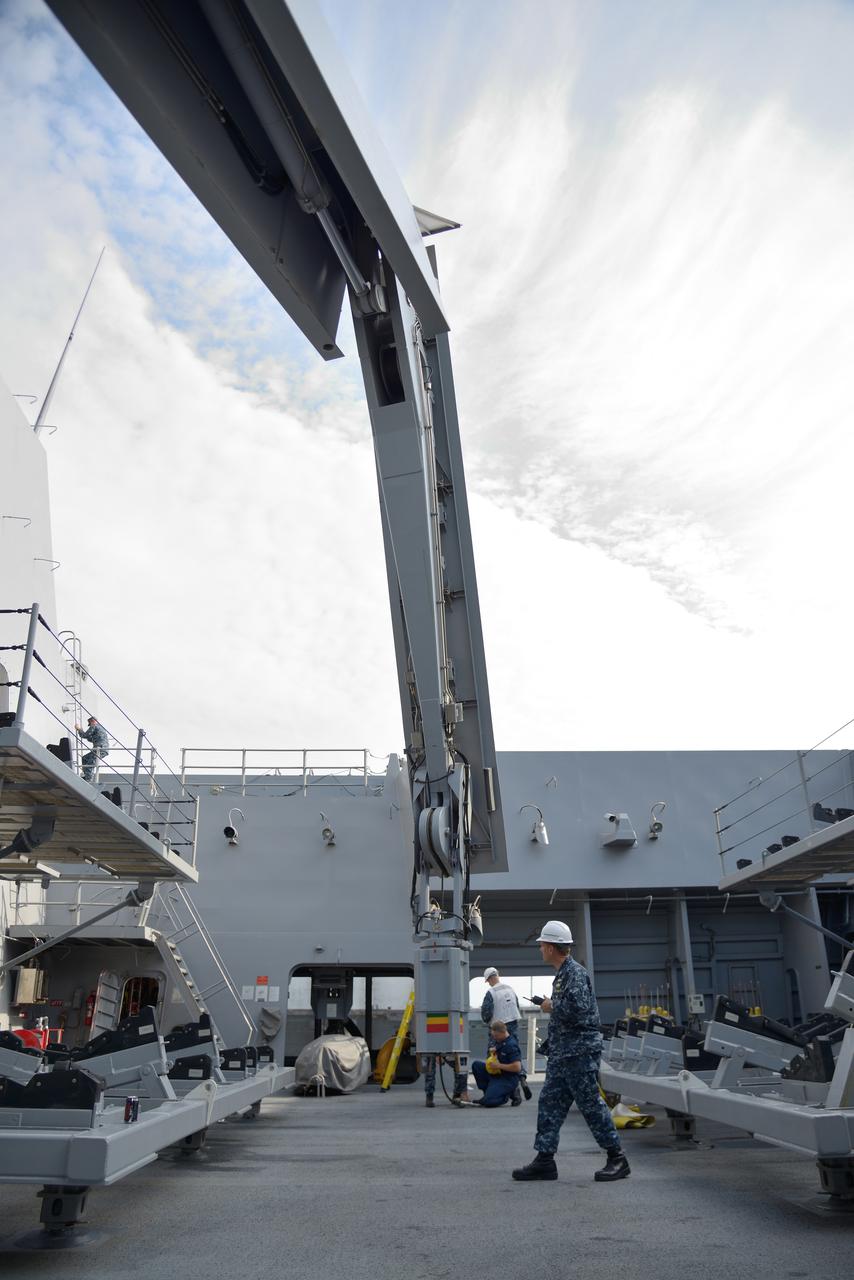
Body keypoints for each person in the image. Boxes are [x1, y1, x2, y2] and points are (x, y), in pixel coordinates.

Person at [512, 920, 630, 1183]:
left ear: (553, 947)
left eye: (543, 943)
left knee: (590, 1105)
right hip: (563, 1054)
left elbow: (579, 1010)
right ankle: (544, 1161)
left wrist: (550, 1006)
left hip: (578, 1054)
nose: (540, 947)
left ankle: (618, 1158)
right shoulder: (563, 974)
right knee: (549, 1103)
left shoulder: (574, 973)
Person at [471, 1020, 525, 1107]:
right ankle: (488, 1093)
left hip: (507, 1078)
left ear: (502, 1032)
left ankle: (508, 1094)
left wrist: (498, 1065)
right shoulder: (500, 1041)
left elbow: (517, 1067)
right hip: (497, 1073)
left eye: (496, 1036)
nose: (495, 1038)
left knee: (488, 1102)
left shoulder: (511, 1045)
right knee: (476, 1065)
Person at [481, 966, 522, 1038]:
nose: (489, 983)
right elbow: (517, 1006)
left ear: (489, 979)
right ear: (497, 975)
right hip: (513, 1024)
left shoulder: (491, 992)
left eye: (487, 981)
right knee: (512, 1046)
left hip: (498, 1028)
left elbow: (486, 1014)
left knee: (496, 1048)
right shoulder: (510, 989)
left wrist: (488, 1022)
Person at [75, 716, 109, 783]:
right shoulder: (101, 728)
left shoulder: (94, 725)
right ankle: (87, 776)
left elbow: (85, 735)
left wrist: (79, 729)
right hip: (101, 749)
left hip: (99, 749)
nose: (90, 726)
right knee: (85, 758)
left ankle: (88, 781)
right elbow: (92, 739)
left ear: (92, 721)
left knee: (89, 765)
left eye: (90, 724)